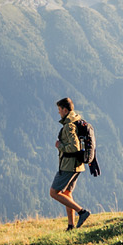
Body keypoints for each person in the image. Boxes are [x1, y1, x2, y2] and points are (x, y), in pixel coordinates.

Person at [49, 97, 93, 229]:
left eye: (59, 109)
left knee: (54, 192)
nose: (59, 112)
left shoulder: (69, 126)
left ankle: (82, 212)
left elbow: (74, 147)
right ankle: (70, 225)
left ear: (65, 109)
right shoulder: (77, 119)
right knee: (67, 193)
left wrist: (60, 146)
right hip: (78, 165)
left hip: (69, 165)